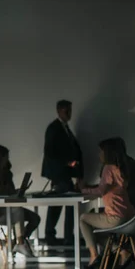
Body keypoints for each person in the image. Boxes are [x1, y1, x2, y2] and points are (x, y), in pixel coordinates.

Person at [78, 138, 135, 269]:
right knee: (93, 232)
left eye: (101, 151)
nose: (99, 154)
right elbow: (106, 188)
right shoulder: (120, 168)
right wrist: (88, 188)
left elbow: (100, 191)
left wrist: (82, 190)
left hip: (115, 218)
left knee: (83, 219)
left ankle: (94, 256)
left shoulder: (108, 168)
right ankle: (123, 252)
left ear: (108, 153)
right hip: (129, 216)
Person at [0, 145, 41, 257]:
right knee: (18, 211)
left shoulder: (4, 172)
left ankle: (19, 241)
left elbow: (6, 192)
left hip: (2, 209)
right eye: (6, 157)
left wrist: (18, 190)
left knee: (35, 218)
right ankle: (20, 243)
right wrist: (12, 191)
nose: (7, 160)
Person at [41, 99, 83, 245]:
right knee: (60, 204)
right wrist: (67, 163)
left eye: (70, 111)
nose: (69, 114)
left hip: (64, 173)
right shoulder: (54, 128)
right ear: (59, 111)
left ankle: (59, 235)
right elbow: (50, 153)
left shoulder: (64, 128)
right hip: (59, 173)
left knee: (61, 204)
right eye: (67, 111)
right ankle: (59, 236)